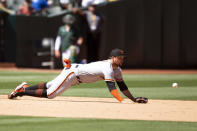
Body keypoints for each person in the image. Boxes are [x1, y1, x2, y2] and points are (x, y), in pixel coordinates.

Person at [8, 49, 142, 103]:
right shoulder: (107, 67)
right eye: (119, 57)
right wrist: (121, 100)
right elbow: (112, 88)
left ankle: (24, 87)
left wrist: (133, 99)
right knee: (50, 94)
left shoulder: (117, 70)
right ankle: (22, 91)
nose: (121, 59)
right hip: (73, 73)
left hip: (74, 73)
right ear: (113, 58)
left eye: (122, 57)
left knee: (49, 85)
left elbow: (122, 86)